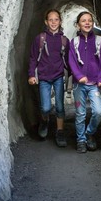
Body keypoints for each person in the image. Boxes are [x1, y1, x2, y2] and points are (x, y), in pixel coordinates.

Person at [27, 9, 69, 147]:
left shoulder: (64, 41)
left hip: (58, 77)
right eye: (50, 20)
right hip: (44, 77)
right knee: (45, 107)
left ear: (60, 21)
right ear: (46, 21)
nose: (53, 22)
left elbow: (69, 60)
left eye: (56, 19)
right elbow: (33, 58)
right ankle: (44, 121)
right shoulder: (40, 38)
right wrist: (32, 74)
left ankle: (60, 131)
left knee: (60, 105)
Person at [68, 11, 101, 153]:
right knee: (80, 113)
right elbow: (71, 61)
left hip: (94, 85)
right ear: (78, 25)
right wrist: (78, 76)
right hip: (79, 85)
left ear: (92, 23)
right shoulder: (74, 42)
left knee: (98, 111)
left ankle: (89, 133)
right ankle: (81, 140)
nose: (87, 23)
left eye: (89, 20)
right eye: (83, 21)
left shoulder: (98, 41)